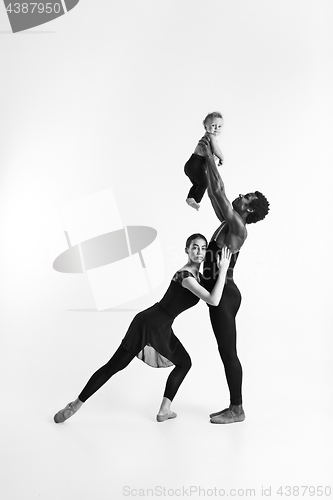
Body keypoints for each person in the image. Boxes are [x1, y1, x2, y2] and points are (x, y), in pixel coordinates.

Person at [54, 234, 232, 424]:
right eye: (194, 247)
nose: (199, 252)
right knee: (115, 366)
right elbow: (213, 300)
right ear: (186, 250)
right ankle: (74, 405)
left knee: (183, 362)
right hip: (149, 323)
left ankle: (164, 410)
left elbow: (215, 293)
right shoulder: (186, 276)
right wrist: (223, 271)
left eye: (203, 248)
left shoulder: (197, 276)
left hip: (161, 324)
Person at [198, 135, 270, 424]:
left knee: (227, 350)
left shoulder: (238, 226)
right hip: (218, 288)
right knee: (225, 349)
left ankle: (236, 408)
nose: (241, 196)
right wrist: (206, 160)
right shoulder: (228, 222)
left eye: (247, 198)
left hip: (224, 293)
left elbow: (219, 188)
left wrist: (209, 157)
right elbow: (216, 193)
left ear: (248, 210)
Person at [185, 112, 224, 211]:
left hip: (192, 165)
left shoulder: (208, 137)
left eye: (219, 126)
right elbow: (216, 149)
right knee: (204, 182)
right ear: (205, 126)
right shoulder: (211, 137)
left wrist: (213, 158)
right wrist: (222, 158)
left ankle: (191, 199)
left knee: (198, 184)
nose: (216, 128)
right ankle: (197, 200)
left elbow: (209, 153)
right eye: (213, 125)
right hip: (196, 164)